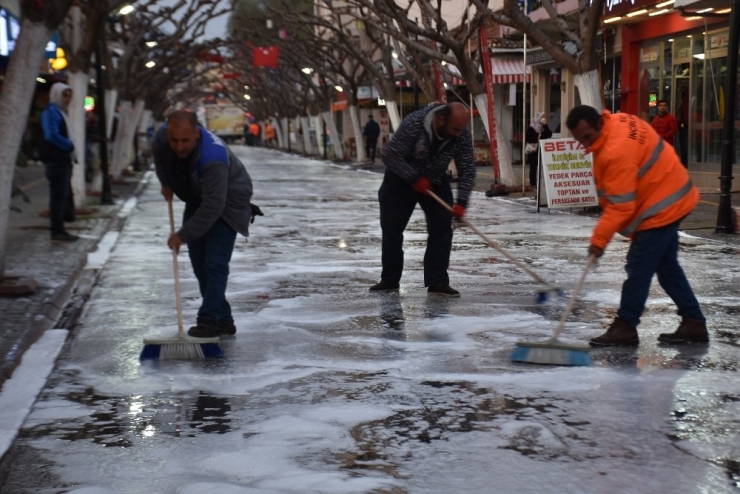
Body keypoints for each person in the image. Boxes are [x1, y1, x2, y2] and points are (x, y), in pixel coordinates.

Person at [565, 105, 707, 347]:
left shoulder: (616, 151)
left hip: (660, 207)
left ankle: (626, 325)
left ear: (599, 123)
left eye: (587, 137)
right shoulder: (620, 119)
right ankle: (693, 322)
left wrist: (598, 241)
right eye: (579, 140)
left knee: (638, 267)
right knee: (667, 267)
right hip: (671, 193)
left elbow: (621, 206)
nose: (584, 145)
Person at [152, 110, 254, 338]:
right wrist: (166, 182)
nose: (179, 146)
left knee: (215, 263)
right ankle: (224, 319)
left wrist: (182, 235)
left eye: (185, 141)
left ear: (196, 134)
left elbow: (213, 208)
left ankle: (208, 319)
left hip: (229, 202)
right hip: (198, 197)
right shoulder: (160, 138)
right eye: (174, 140)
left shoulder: (212, 159)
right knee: (199, 264)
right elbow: (160, 158)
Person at [370, 102, 476, 297]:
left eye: (461, 130)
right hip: (400, 179)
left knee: (442, 228)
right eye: (454, 129)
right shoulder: (415, 123)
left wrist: (461, 202)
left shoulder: (461, 135)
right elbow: (390, 154)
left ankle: (438, 281)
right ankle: (389, 280)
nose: (458, 134)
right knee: (392, 229)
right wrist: (413, 177)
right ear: (441, 119)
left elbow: (467, 169)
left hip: (435, 179)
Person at [39, 82, 78, 242]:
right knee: (58, 197)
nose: (67, 99)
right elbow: (51, 135)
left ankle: (60, 229)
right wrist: (69, 145)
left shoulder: (59, 112)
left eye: (69, 95)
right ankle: (57, 231)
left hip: (62, 160)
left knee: (62, 196)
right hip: (56, 160)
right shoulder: (51, 112)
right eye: (64, 95)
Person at [525, 112, 552, 188]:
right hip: (534, 151)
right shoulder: (532, 128)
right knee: (533, 167)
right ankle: (533, 183)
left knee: (542, 167)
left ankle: (542, 182)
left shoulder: (543, 128)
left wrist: (545, 125)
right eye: (542, 117)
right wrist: (538, 137)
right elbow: (528, 138)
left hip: (542, 150)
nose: (543, 119)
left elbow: (549, 134)